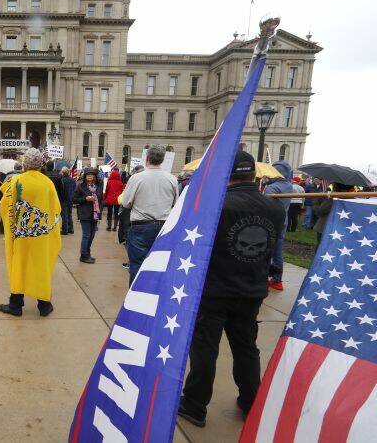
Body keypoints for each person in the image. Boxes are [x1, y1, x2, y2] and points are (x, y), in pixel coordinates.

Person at [178, 151, 284, 428]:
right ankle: (251, 401)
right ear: (254, 174)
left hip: (214, 290)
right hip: (251, 290)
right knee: (246, 348)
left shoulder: (216, 205)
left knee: (205, 349)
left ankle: (195, 404)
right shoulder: (274, 208)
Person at [0, 148, 61, 317]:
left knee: (19, 265)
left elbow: (3, 206)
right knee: (41, 267)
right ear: (40, 165)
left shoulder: (16, 181)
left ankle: (16, 305)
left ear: (24, 164)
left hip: (21, 236)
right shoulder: (48, 184)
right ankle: (44, 305)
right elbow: (56, 209)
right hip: (41, 237)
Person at [119, 145, 178, 285]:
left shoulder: (136, 178)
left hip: (141, 226)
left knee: (137, 265)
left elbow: (126, 202)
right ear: (162, 160)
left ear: (147, 158)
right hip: (163, 226)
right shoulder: (172, 179)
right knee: (159, 265)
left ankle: (136, 298)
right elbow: (175, 204)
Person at [263, 160, 293, 292]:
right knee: (278, 252)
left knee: (265, 251)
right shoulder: (288, 185)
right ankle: (277, 280)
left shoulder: (271, 188)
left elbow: (264, 207)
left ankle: (263, 279)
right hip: (283, 221)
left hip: (270, 223)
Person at [74, 168, 103, 263]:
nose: (90, 176)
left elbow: (100, 199)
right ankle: (83, 256)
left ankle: (87, 253)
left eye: (91, 174)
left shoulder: (98, 186)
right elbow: (74, 199)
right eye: (88, 175)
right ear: (85, 176)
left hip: (95, 215)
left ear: (94, 176)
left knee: (92, 235)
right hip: (85, 214)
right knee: (86, 235)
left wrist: (101, 209)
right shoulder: (80, 186)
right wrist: (85, 199)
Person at [60, 167, 76, 235]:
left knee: (64, 215)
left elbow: (61, 189)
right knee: (69, 214)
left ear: (63, 173)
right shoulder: (72, 180)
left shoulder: (62, 180)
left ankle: (65, 230)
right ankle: (71, 229)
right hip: (71, 199)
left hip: (64, 199)